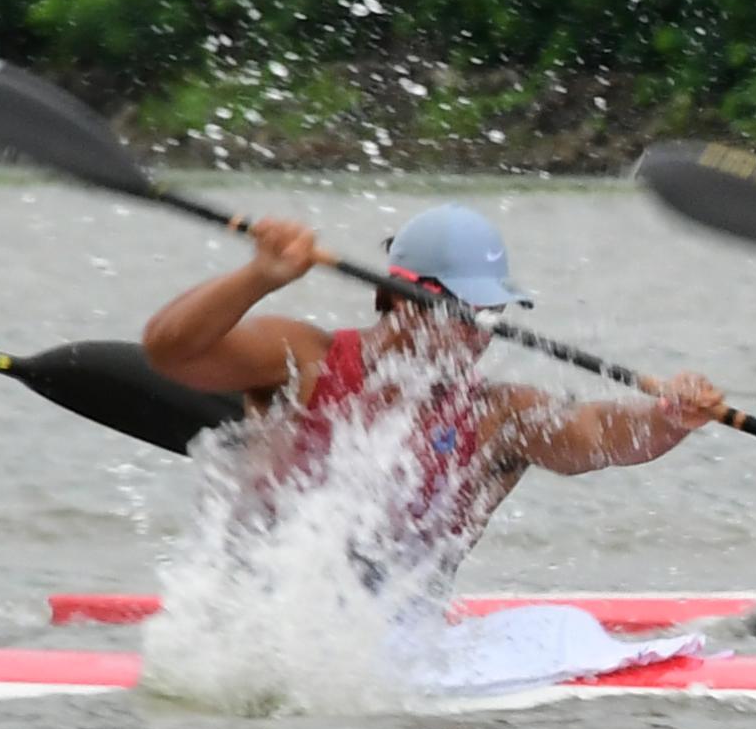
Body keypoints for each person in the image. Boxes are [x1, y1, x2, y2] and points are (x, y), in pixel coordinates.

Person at [141, 202, 723, 586]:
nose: (478, 330)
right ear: (396, 298)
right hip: (254, 618)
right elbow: (172, 352)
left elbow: (597, 435)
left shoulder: (498, 415)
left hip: (389, 646)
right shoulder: (304, 360)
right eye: (463, 308)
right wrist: (259, 278)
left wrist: (669, 416)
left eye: (491, 310)